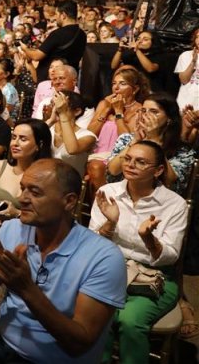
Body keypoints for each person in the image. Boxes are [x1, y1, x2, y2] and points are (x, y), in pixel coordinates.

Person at [0, 159, 126, 364]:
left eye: (35, 192)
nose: (22, 199)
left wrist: (26, 288)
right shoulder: (11, 229)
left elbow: (79, 343)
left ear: (69, 201)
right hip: (3, 339)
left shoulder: (104, 257)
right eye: (22, 189)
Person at [90, 141, 189, 364]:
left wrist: (149, 239)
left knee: (130, 320)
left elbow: (171, 255)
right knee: (98, 314)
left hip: (155, 277)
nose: (131, 164)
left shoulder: (175, 204)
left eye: (141, 162)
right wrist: (110, 223)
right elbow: (92, 244)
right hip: (112, 270)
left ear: (158, 170)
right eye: (128, 158)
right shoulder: (108, 193)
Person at [105, 93, 195, 195]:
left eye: (154, 111)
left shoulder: (182, 150)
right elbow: (113, 171)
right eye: (143, 111)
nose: (146, 115)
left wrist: (154, 140)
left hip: (159, 203)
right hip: (122, 196)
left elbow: (171, 184)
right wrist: (135, 141)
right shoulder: (127, 139)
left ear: (169, 118)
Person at [0, 119, 52, 232]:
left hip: (31, 235)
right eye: (13, 137)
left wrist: (17, 213)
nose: (15, 143)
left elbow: (49, 218)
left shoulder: (47, 177)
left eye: (23, 139)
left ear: (39, 144)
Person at [86, 66, 149, 195]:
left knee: (96, 168)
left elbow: (126, 139)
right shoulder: (104, 104)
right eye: (114, 83)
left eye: (122, 83)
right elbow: (90, 133)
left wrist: (119, 112)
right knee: (93, 166)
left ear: (135, 89)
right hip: (95, 154)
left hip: (118, 157)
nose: (116, 87)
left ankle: (105, 204)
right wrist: (106, 109)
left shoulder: (140, 110)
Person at [19, 0, 87, 82]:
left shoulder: (58, 34)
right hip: (69, 80)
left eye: (56, 14)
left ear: (63, 15)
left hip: (51, 81)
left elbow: (36, 56)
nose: (56, 17)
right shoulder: (82, 34)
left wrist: (25, 48)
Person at [50, 90, 97, 176]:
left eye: (63, 106)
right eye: (54, 104)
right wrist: (50, 121)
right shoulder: (48, 128)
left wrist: (62, 114)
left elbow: (72, 149)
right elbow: (31, 137)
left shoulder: (88, 136)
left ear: (77, 111)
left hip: (69, 183)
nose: (56, 109)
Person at [175, 27, 199, 111]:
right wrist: (193, 62)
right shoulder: (186, 55)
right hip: (186, 102)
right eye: (197, 36)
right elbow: (184, 80)